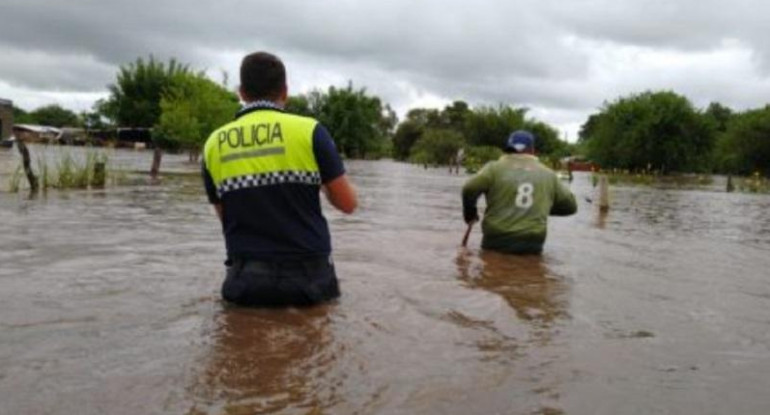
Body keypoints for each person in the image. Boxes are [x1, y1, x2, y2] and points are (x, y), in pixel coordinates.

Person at [202, 51, 357, 307]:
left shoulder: (213, 143)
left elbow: (225, 215)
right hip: (309, 279)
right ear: (284, 91)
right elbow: (348, 204)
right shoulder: (310, 131)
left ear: (241, 92)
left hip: (245, 279)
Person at [461, 130, 576, 254]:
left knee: (492, 267)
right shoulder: (548, 174)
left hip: (497, 237)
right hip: (533, 239)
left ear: (508, 149)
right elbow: (570, 206)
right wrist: (541, 207)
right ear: (532, 150)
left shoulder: (493, 168)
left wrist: (470, 213)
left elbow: (469, 189)